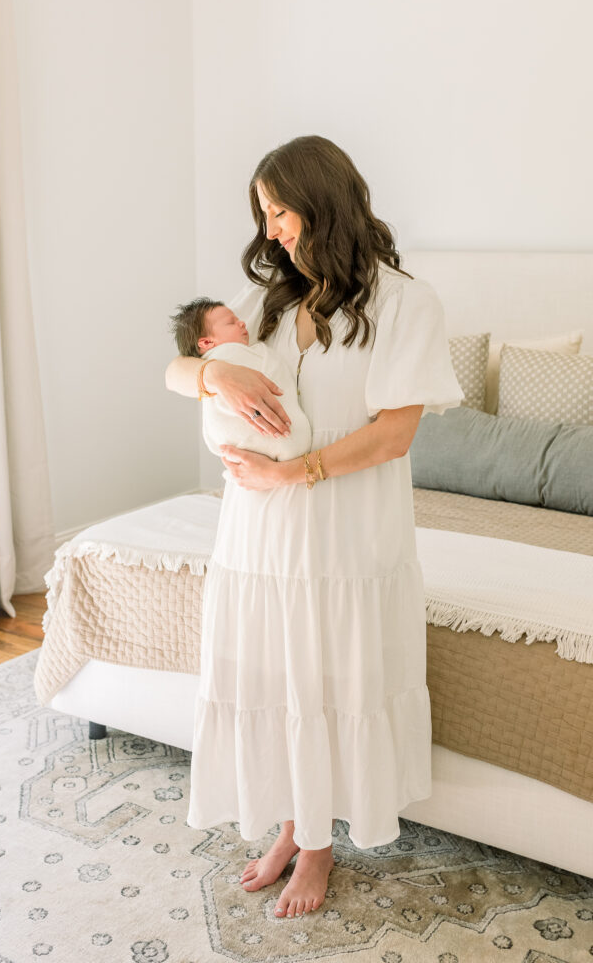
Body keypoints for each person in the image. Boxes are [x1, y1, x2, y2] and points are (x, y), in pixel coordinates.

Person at [165, 135, 464, 920]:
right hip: (258, 537)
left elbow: (395, 434)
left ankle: (319, 847)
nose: (271, 232)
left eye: (279, 210)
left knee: (325, 681)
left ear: (320, 200)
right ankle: (291, 825)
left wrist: (288, 473)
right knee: (275, 676)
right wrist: (209, 370)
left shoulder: (405, 303)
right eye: (263, 216)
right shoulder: (280, 303)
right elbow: (173, 368)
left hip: (341, 532)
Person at [168, 297, 312, 461]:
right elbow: (171, 376)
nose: (242, 323)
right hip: (283, 441)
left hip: (233, 447)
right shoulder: (225, 355)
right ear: (207, 342)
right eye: (231, 323)